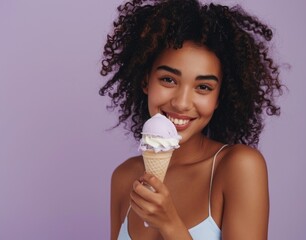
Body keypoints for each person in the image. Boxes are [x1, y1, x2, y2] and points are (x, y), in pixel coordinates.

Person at [99, 0, 283, 239]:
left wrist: (170, 224)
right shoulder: (124, 177)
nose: (182, 103)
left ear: (219, 98)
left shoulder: (238, 167)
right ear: (146, 80)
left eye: (203, 87)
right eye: (168, 79)